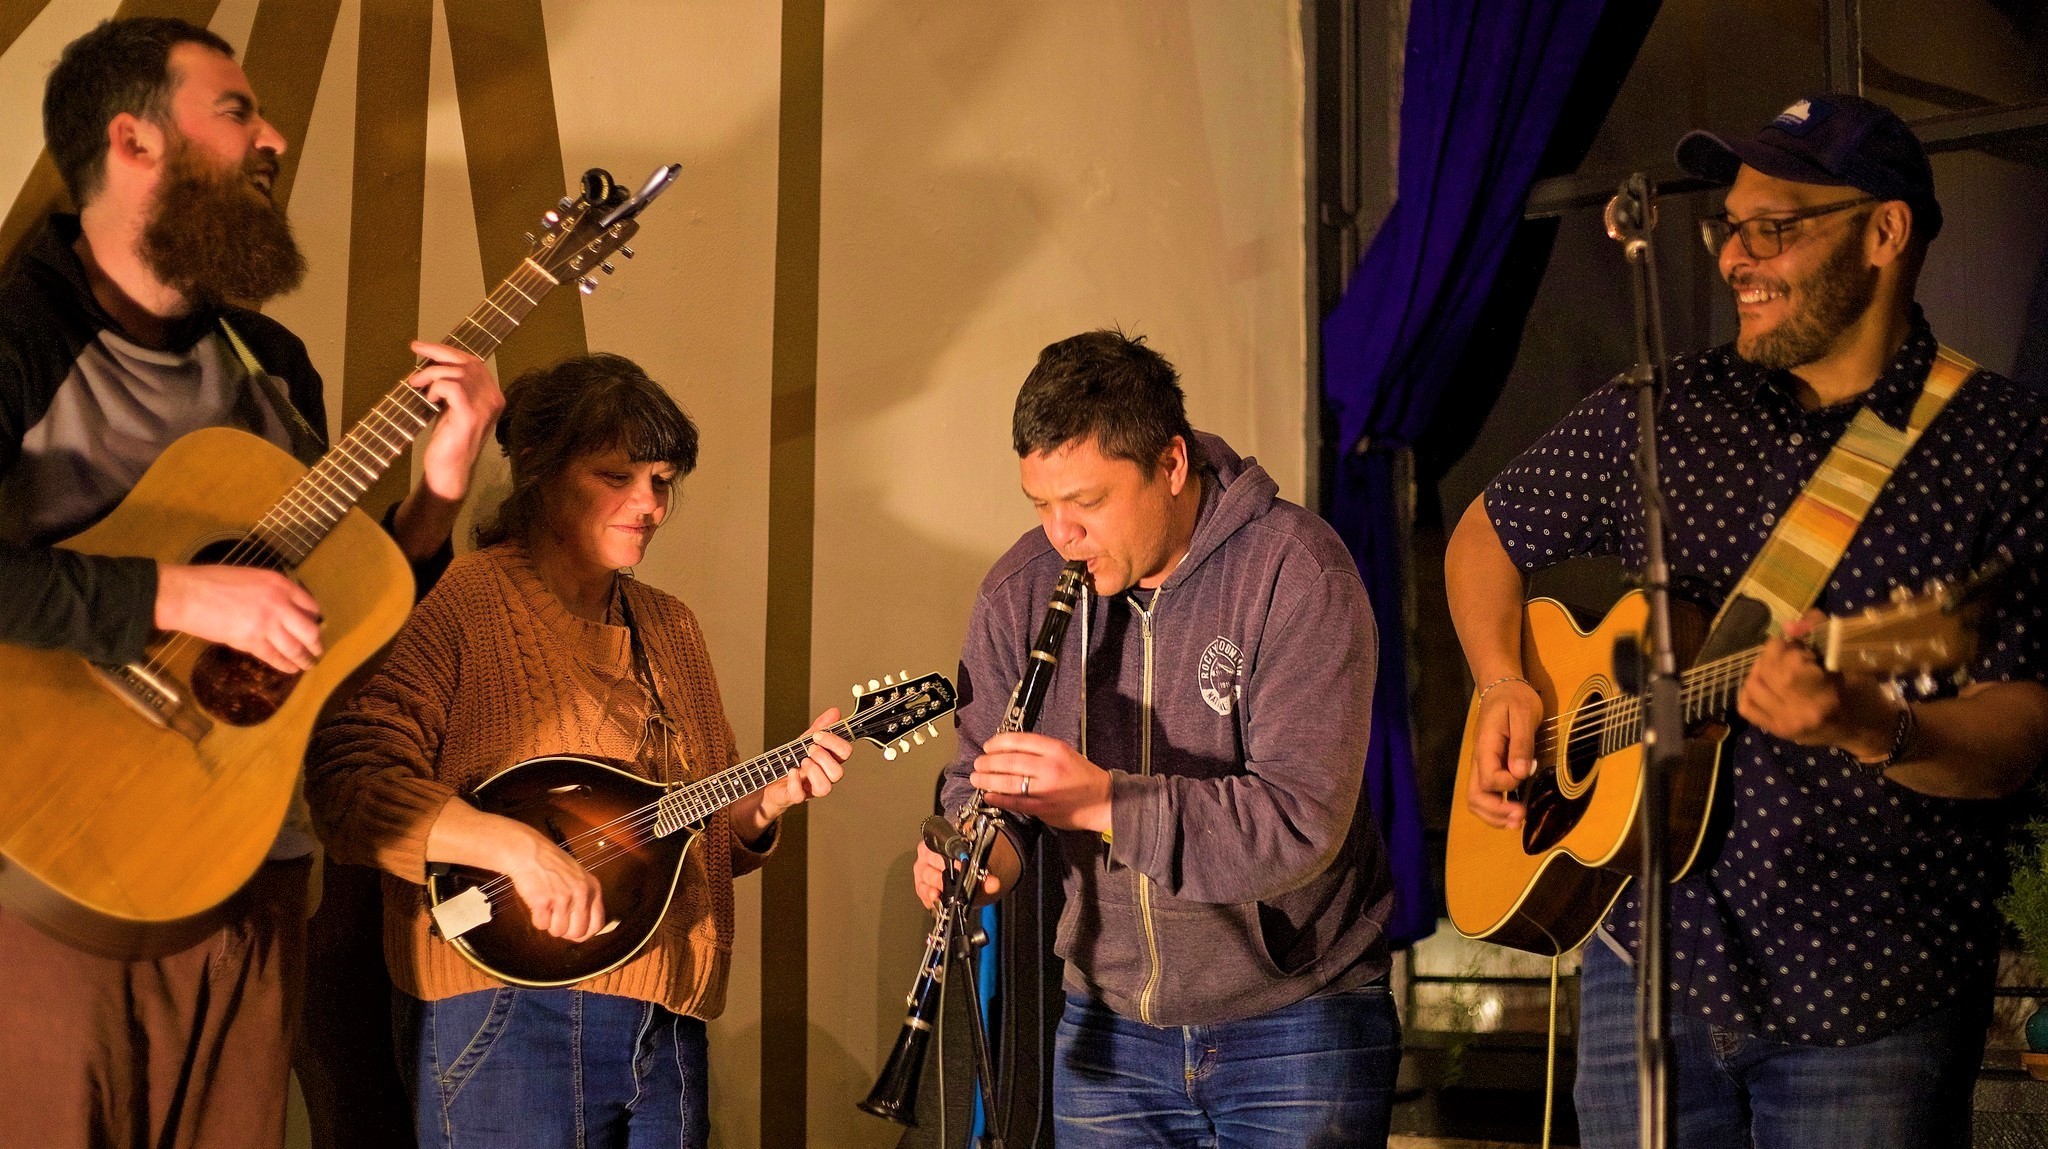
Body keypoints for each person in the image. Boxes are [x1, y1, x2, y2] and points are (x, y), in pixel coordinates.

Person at [1447, 94, 2048, 1147]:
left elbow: (2022, 729)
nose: (1735, 258)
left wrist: (1872, 723)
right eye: (1728, 227)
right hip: (1644, 968)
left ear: (1884, 232)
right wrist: (1504, 680)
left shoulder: (2000, 445)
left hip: (1869, 997)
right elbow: (1482, 540)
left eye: (1774, 229)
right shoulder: (1665, 408)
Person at [0, 17, 502, 1149]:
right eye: (237, 112)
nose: (274, 138)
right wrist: (172, 597)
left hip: (256, 879)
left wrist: (435, 499)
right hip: (50, 889)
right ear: (133, 140)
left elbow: (340, 636)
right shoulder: (15, 337)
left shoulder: (271, 368)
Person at [306, 353, 852, 1148]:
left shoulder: (673, 627)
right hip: (507, 1011)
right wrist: (515, 848)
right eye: (615, 476)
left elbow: (672, 841)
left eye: (662, 481)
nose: (649, 504)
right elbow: (350, 786)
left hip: (669, 1020)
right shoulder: (465, 599)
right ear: (540, 470)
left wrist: (762, 805)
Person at [913, 330, 1400, 1147]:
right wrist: (978, 853)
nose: (1060, 534)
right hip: (1106, 1031)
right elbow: (984, 783)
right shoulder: (1017, 592)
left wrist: (1107, 803)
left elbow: (1301, 819)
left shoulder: (1295, 571)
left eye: (1087, 502)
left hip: (1297, 1020)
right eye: (1040, 504)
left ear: (1172, 464)